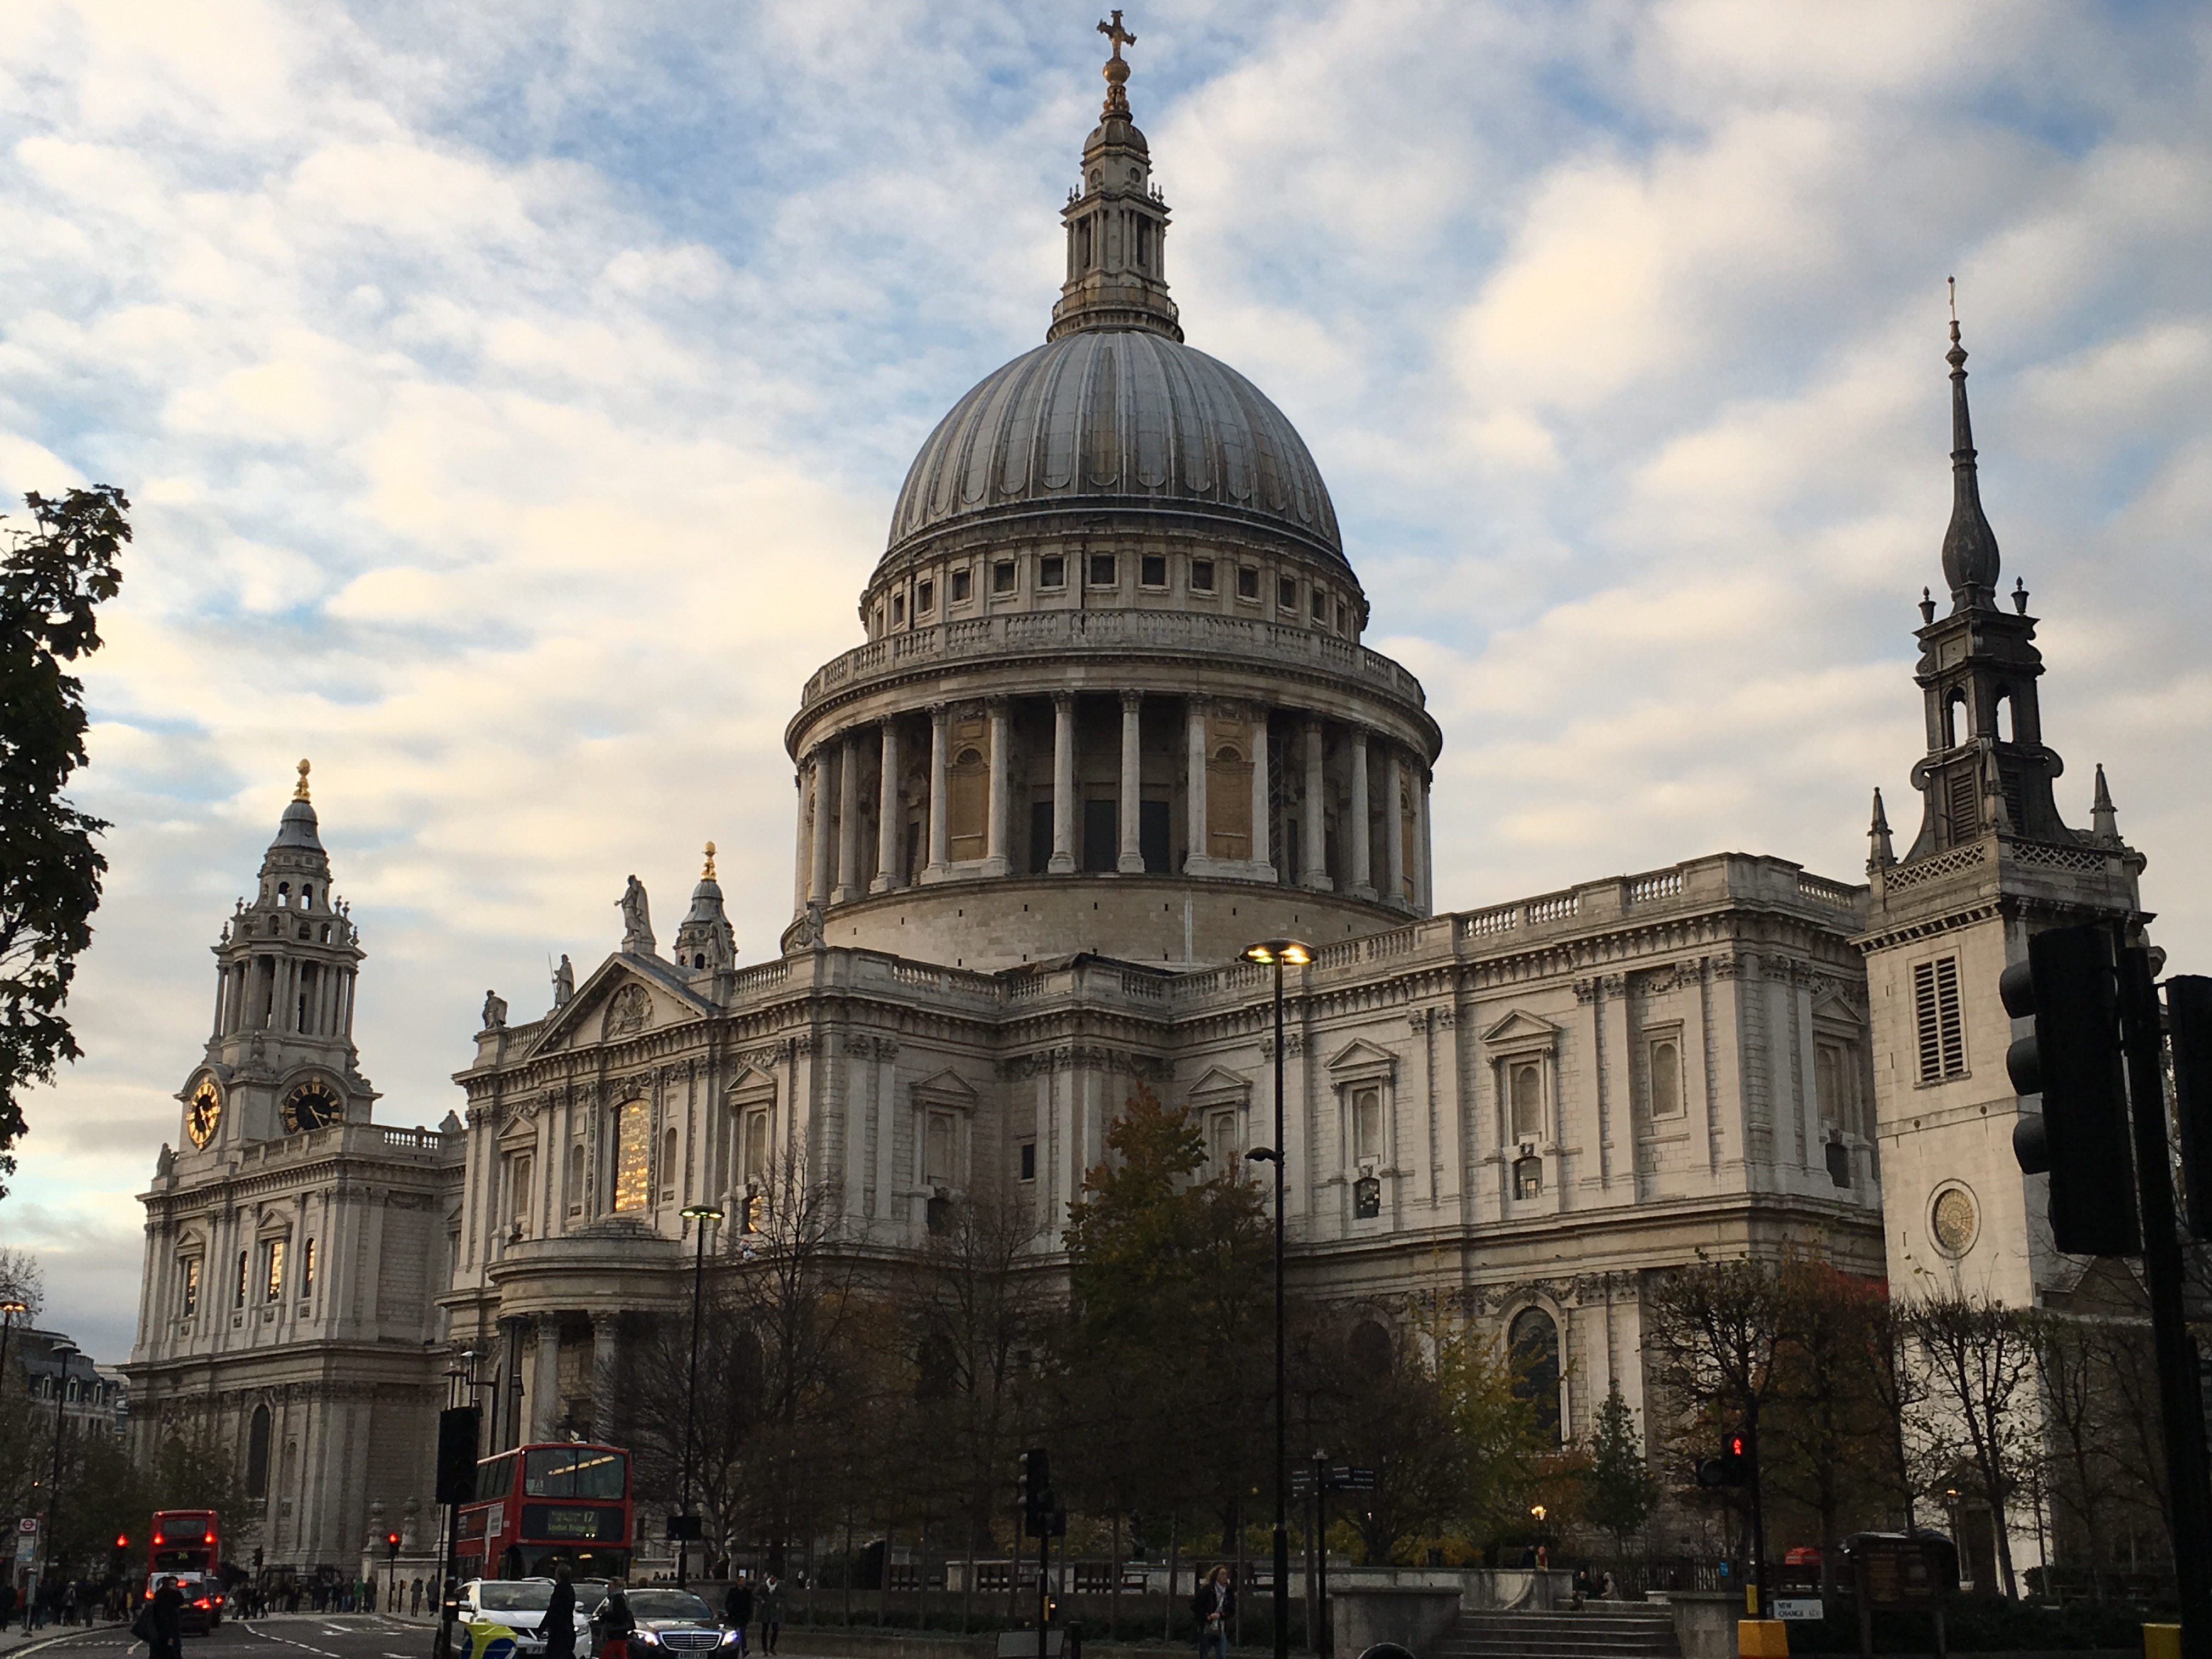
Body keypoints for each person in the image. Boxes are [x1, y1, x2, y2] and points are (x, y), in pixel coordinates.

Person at [1190, 1566, 1233, 1659]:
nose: (1225, 1577)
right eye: (1222, 1574)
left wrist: (1222, 1615)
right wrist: (1207, 1616)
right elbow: (1195, 1606)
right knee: (1204, 1654)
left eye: (1226, 1574)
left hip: (1221, 1628)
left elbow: (1232, 1609)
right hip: (1206, 1628)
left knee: (1221, 1655)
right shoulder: (1207, 1590)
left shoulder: (1228, 1591)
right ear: (1216, 1576)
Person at [543, 1565, 577, 1659]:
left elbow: (553, 1610)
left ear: (558, 1575)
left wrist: (542, 1627)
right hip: (568, 1630)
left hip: (558, 1631)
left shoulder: (559, 1590)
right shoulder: (570, 1590)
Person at [148, 1576, 185, 1659]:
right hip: (165, 1635)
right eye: (172, 1585)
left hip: (164, 1636)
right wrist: (169, 1637)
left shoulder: (166, 1600)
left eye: (176, 1585)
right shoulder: (166, 1601)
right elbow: (166, 1621)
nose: (175, 1587)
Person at [598, 1584, 635, 1659]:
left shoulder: (617, 1599)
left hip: (616, 1632)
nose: (608, 1588)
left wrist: (606, 1616)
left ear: (615, 1587)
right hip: (619, 1633)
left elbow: (619, 1616)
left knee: (605, 1655)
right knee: (621, 1655)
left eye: (610, 1586)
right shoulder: (618, 1598)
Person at [723, 1573, 752, 1656]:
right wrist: (729, 1611)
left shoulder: (747, 1592)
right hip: (734, 1615)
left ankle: (744, 1649)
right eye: (742, 1581)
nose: (744, 1583)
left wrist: (749, 1615)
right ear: (738, 1582)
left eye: (744, 1581)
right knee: (734, 1633)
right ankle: (734, 1649)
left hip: (744, 1615)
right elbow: (728, 1602)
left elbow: (749, 1604)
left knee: (743, 1633)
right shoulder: (733, 1591)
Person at [756, 1574, 783, 1657]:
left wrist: (779, 1602)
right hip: (766, 1610)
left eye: (775, 1578)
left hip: (774, 1611)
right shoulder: (763, 1586)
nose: (774, 1580)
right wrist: (761, 1600)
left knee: (775, 1629)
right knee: (765, 1630)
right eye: (772, 1578)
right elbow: (755, 1594)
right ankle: (765, 1649)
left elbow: (783, 1596)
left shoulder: (779, 1587)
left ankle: (772, 1647)